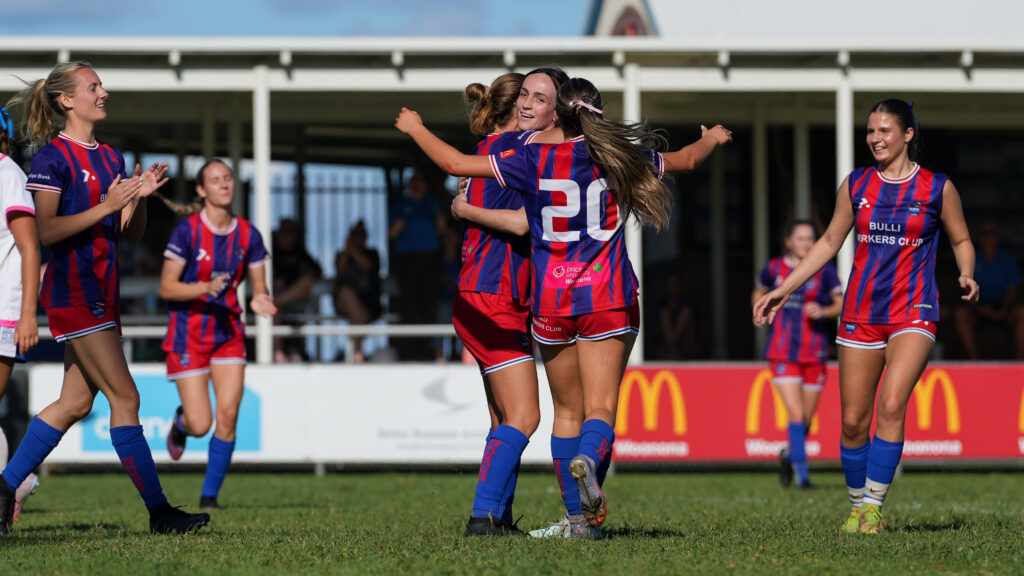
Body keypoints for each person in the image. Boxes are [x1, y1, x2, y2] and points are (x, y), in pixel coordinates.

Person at [397, 76, 731, 533]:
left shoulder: (529, 154)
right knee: (600, 409)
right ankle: (587, 468)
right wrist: (712, 138)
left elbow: (454, 162)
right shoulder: (618, 152)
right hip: (607, 295)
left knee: (566, 413)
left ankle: (578, 519)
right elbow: (688, 160)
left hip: (551, 301)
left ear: (558, 112)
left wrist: (416, 128)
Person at [0, 62, 210, 534]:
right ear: (66, 101)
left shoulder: (112, 157)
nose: (104, 92)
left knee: (74, 404)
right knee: (126, 397)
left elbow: (127, 233)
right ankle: (160, 514)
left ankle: (4, 486)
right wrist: (108, 206)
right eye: (93, 87)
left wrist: (139, 199)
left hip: (102, 294)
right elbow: (46, 230)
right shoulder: (51, 158)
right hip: (75, 293)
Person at [754, 98, 978, 535]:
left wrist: (966, 272)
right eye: (871, 131)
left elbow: (961, 239)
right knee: (854, 423)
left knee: (892, 403)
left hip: (914, 311)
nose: (875, 138)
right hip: (860, 313)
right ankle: (857, 507)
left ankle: (873, 508)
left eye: (884, 130)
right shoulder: (856, 184)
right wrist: (784, 289)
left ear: (908, 134)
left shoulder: (937, 187)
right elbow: (828, 243)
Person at [157, 159, 276, 510]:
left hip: (228, 333)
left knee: (228, 415)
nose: (224, 184)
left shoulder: (248, 234)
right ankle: (181, 424)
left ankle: (209, 497)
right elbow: (167, 287)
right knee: (200, 424)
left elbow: (259, 286)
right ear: (201, 190)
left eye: (227, 178)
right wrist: (203, 288)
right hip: (188, 335)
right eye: (215, 180)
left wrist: (260, 299)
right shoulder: (187, 232)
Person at [752, 219, 843, 489]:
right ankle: (803, 479)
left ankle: (788, 455)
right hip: (783, 353)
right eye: (801, 238)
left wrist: (823, 311)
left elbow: (840, 303)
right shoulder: (773, 269)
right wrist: (759, 309)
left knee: (806, 421)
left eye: (810, 238)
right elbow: (759, 290)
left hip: (815, 352)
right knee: (796, 414)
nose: (806, 243)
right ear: (788, 242)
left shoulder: (825, 271)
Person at [0, 105, 42, 524]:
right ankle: (16, 481)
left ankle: (11, 483)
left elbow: (30, 248)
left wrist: (28, 314)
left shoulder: (9, 175)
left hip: (4, 313)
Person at [388, 170, 445, 360]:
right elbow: (392, 233)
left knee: (429, 303)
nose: (417, 185)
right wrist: (401, 222)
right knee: (409, 304)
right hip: (407, 258)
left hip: (429, 257)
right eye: (413, 182)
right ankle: (408, 350)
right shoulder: (402, 205)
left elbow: (442, 228)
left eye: (420, 181)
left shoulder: (432, 204)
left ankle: (427, 350)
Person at [953, 219, 1024, 359]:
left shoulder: (1007, 259)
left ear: (997, 235)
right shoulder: (972, 258)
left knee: (1022, 312)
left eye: (992, 232)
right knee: (960, 314)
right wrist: (982, 309)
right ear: (979, 236)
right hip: (977, 306)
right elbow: (967, 289)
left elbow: (1012, 289)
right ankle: (975, 361)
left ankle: (1020, 362)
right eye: (984, 233)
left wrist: (1004, 309)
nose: (988, 237)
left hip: (1004, 306)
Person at [272, 218, 321, 362]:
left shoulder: (299, 253)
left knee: (275, 305)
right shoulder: (270, 252)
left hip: (294, 302)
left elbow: (316, 272)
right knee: (273, 308)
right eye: (284, 231)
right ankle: (278, 352)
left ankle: (277, 302)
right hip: (272, 304)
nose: (287, 236)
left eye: (291, 232)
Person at [333, 219, 381, 363]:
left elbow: (367, 265)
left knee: (356, 313)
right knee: (347, 293)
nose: (357, 238)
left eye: (360, 234)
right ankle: (358, 352)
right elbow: (340, 268)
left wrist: (352, 251)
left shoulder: (372, 253)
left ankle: (357, 352)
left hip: (368, 303)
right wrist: (347, 251)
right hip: (345, 303)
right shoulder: (342, 255)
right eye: (354, 234)